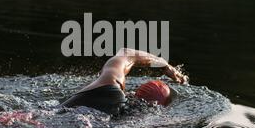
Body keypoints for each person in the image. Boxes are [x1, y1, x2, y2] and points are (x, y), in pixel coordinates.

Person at [58, 48, 187, 115]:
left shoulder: (110, 82)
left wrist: (164, 65)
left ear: (136, 92)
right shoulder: (128, 117)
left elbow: (126, 53)